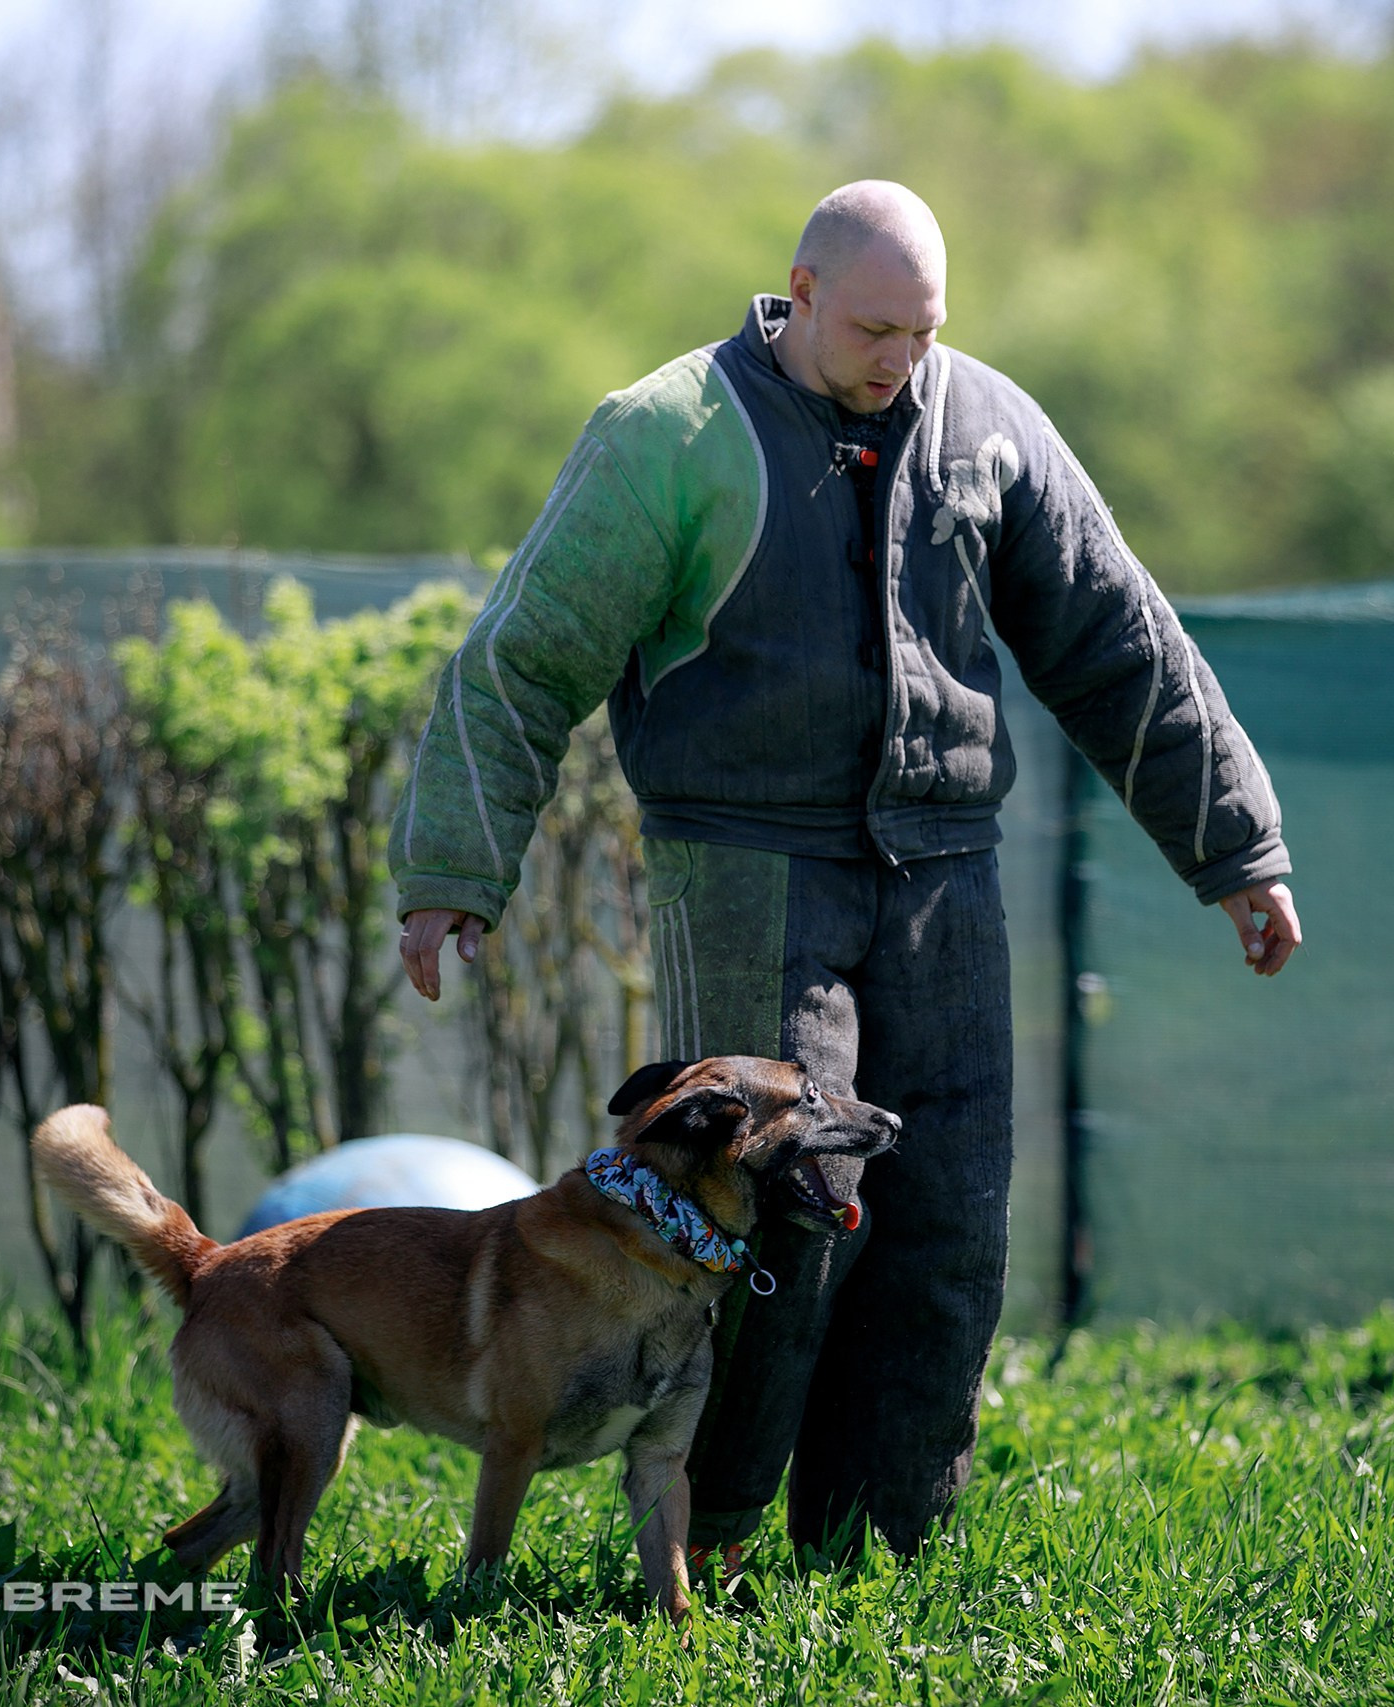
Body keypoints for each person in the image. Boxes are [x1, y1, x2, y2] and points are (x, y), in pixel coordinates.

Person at [393, 179, 1299, 1584]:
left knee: (947, 1221)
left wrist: (1234, 845)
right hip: (748, 865)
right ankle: (719, 1539)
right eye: (875, 327)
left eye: (926, 332)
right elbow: (526, 657)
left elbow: (1122, 641)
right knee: (787, 1208)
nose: (902, 361)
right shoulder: (669, 434)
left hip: (945, 871)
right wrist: (454, 865)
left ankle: (885, 1551)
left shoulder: (990, 426)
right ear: (800, 292)